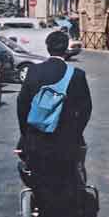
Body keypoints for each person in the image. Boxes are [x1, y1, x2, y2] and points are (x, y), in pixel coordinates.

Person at [17, 30, 92, 168]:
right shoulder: (77, 75)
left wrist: (26, 133)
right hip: (66, 140)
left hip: (36, 138)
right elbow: (86, 109)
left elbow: (22, 104)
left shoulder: (34, 71)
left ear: (47, 47)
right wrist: (76, 132)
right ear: (65, 49)